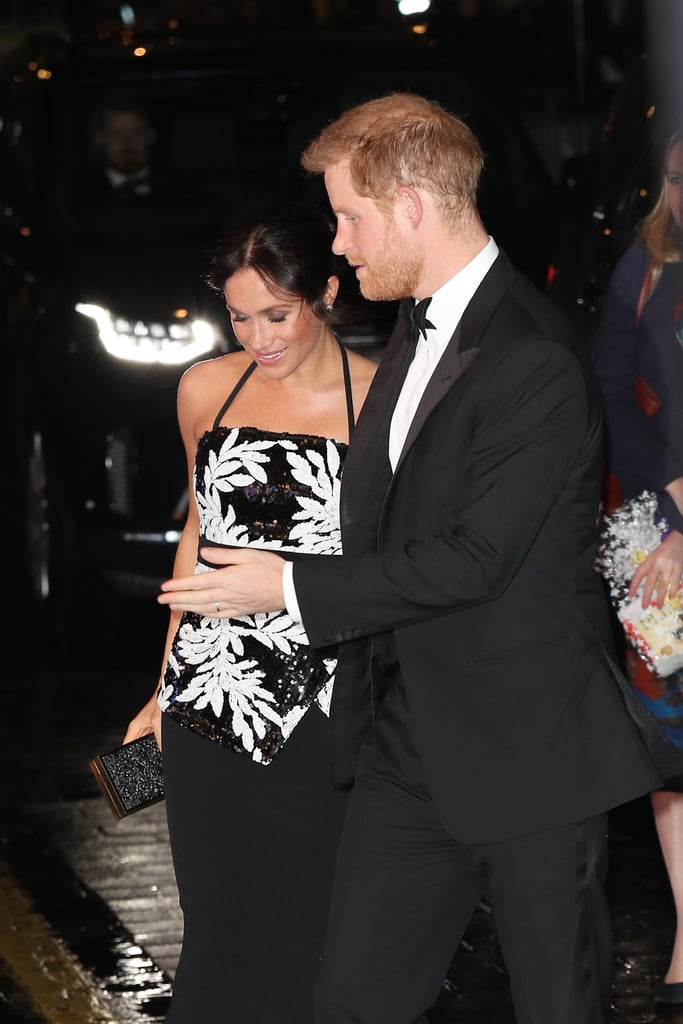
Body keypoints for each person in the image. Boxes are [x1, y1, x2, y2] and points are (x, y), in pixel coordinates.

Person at [155, 93, 683, 1024]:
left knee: (558, 1007)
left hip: (526, 756)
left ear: (409, 206)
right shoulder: (413, 328)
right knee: (351, 1001)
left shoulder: (530, 357)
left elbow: (473, 557)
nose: (341, 243)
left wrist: (281, 584)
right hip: (406, 744)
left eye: (350, 217)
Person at [123, 200, 377, 1023]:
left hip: (322, 700)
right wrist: (163, 687)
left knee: (314, 928)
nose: (259, 338)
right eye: (238, 317)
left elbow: (394, 568)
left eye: (278, 314)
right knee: (217, 927)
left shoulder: (380, 403)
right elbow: (195, 538)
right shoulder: (204, 388)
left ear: (328, 293)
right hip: (210, 697)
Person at [593, 126, 683, 1009]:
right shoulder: (643, 265)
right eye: (673, 176)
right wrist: (638, 515)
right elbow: (613, 388)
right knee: (665, 733)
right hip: (649, 529)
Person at [84, 102, 158, 200]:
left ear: (151, 136)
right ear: (100, 140)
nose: (127, 142)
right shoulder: (79, 193)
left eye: (136, 133)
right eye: (117, 134)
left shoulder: (176, 186)